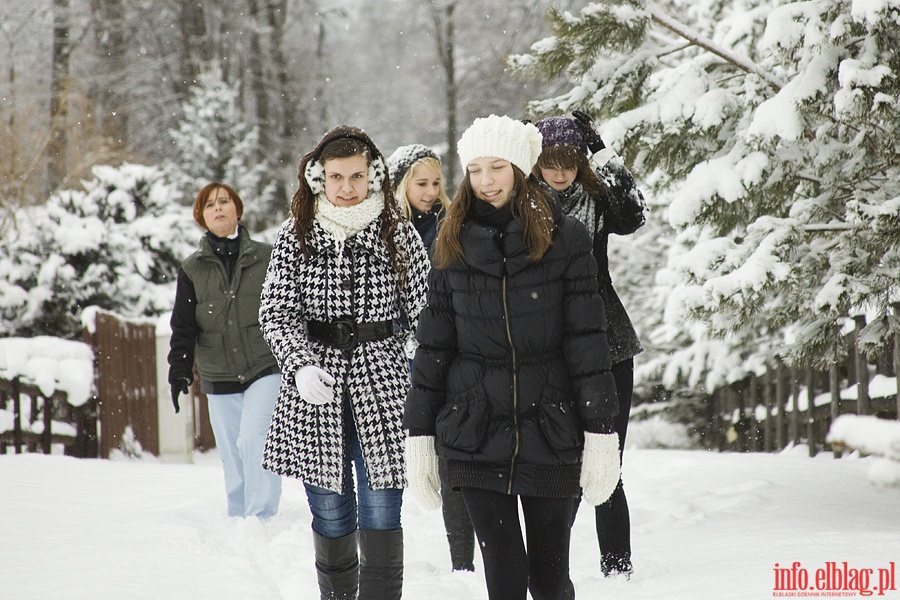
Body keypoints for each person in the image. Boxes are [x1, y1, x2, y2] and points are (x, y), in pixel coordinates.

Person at [403, 114, 622, 600]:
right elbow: (435, 345)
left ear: (520, 169)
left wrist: (601, 434)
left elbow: (587, 345)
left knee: (548, 578)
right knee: (503, 573)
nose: (485, 181)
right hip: (476, 430)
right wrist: (419, 435)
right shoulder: (450, 241)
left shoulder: (566, 239)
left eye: (497, 167)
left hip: (550, 426)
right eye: (476, 169)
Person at [259, 125, 429, 600]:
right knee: (331, 513)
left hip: (385, 384)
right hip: (317, 385)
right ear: (320, 178)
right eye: (337, 177)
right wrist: (298, 364)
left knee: (381, 511)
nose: (347, 187)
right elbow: (275, 312)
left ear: (373, 176)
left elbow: (425, 311)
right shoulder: (296, 234)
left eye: (357, 176)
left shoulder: (397, 229)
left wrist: (419, 361)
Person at [533, 111, 647, 578]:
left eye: (570, 162)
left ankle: (617, 570)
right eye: (550, 163)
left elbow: (634, 213)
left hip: (609, 341)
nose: (560, 173)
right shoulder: (526, 205)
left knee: (607, 458)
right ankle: (549, 566)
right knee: (561, 463)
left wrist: (602, 152)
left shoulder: (600, 201)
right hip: (549, 343)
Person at [167, 182, 282, 521]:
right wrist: (179, 369)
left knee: (254, 438)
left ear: (237, 209)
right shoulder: (192, 269)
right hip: (218, 372)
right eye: (210, 205)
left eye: (224, 202)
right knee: (232, 454)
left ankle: (262, 517)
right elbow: (184, 327)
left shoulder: (267, 256)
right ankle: (239, 517)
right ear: (201, 216)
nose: (218, 208)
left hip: (265, 365)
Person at [387, 144, 476, 573]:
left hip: (453, 348)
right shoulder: (387, 231)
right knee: (433, 449)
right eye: (420, 183)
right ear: (402, 184)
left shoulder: (452, 224)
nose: (430, 191)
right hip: (407, 353)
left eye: (436, 183)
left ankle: (464, 559)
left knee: (454, 448)